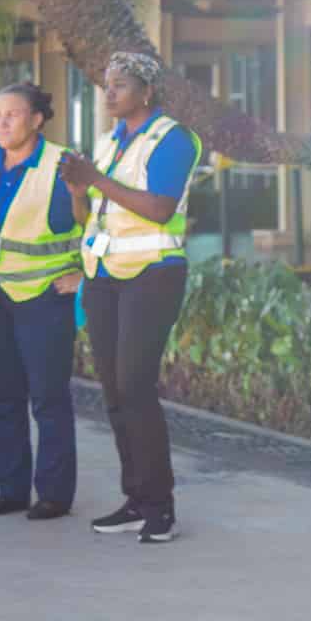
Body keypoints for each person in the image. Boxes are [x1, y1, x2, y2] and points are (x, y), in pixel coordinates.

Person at [58, 52, 203, 545]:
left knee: (136, 386)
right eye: (106, 84)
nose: (109, 92)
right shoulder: (108, 143)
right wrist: (78, 189)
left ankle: (161, 506)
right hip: (103, 274)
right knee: (114, 391)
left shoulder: (173, 139)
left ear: (146, 91)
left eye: (120, 84)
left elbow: (160, 209)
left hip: (153, 274)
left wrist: (95, 179)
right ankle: (136, 499)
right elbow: (91, 216)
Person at [0, 82, 87, 521]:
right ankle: (10, 489)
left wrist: (82, 273)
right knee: (2, 396)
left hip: (42, 298)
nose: (2, 122)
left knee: (48, 398)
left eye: (12, 114)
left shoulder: (62, 164)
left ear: (36, 120)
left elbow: (100, 220)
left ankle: (53, 493)